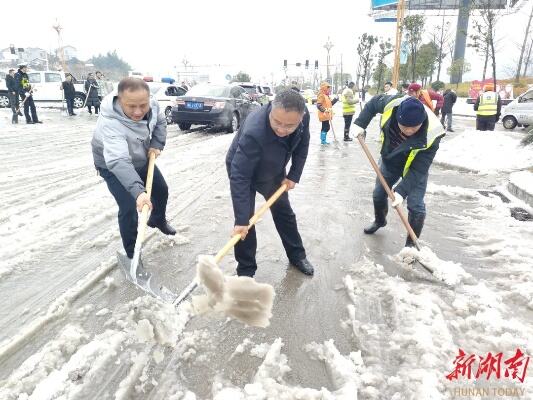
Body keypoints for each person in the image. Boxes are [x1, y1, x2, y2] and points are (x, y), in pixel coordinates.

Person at [225, 89, 314, 277]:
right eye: (277, 122)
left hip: (273, 170)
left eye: (289, 126)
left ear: (301, 117)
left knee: (284, 213)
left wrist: (293, 175)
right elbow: (240, 175)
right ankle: (246, 270)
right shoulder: (254, 131)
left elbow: (303, 144)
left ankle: (297, 256)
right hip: (243, 171)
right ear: (271, 110)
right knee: (245, 223)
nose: (282, 129)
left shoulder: (302, 118)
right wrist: (241, 220)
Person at [91, 78, 176, 260]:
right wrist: (139, 193)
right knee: (129, 206)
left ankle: (157, 219)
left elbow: (160, 121)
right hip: (112, 164)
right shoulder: (111, 123)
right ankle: (132, 255)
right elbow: (119, 161)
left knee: (161, 190)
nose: (138, 111)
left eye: (142, 105)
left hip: (140, 156)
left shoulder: (151, 104)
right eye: (131, 106)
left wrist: (156, 143)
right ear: (119, 100)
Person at [352, 95, 445, 247]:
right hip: (391, 160)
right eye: (404, 126)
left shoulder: (433, 133)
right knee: (378, 194)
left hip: (414, 168)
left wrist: (401, 191)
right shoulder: (392, 104)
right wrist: (360, 123)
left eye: (414, 127)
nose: (408, 131)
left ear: (421, 121)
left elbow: (420, 168)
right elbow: (373, 104)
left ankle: (411, 245)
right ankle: (380, 221)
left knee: (415, 205)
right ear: (397, 118)